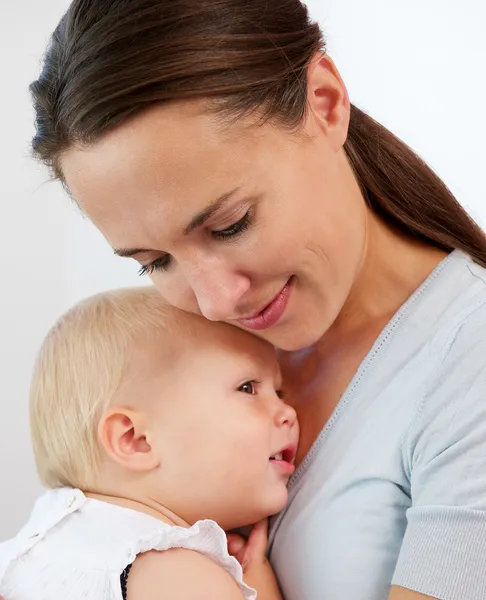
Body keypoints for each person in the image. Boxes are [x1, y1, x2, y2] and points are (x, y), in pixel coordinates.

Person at [27, 0, 486, 598]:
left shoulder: (466, 363)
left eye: (231, 224)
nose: (216, 302)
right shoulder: (179, 353)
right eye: (155, 263)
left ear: (324, 104)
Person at [0, 287, 298, 599]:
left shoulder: (48, 542)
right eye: (247, 388)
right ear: (136, 440)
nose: (288, 412)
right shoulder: (179, 574)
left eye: (279, 393)